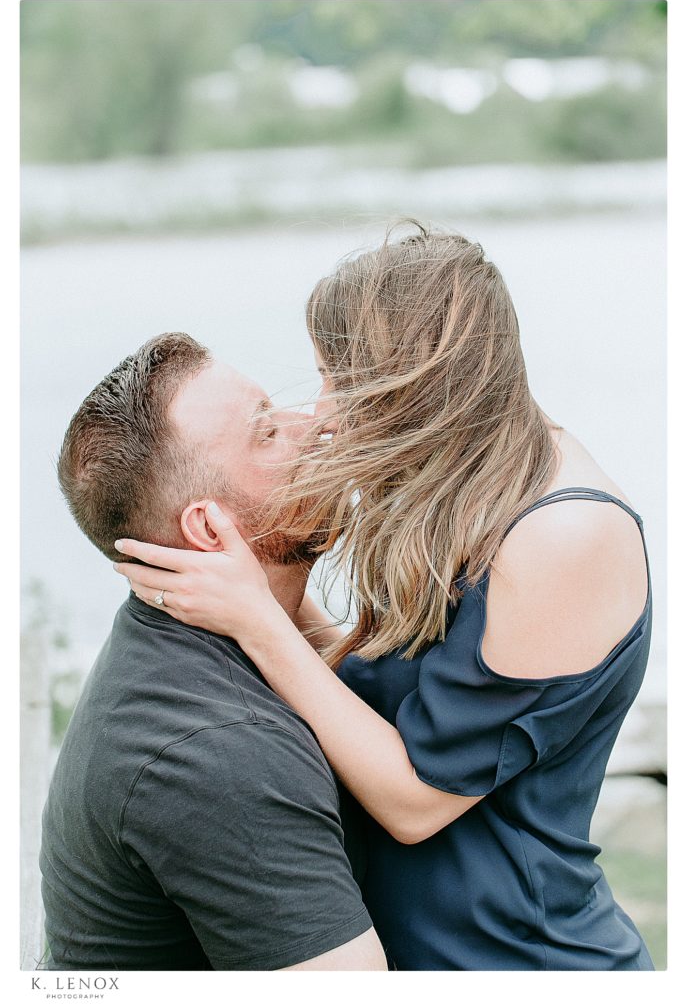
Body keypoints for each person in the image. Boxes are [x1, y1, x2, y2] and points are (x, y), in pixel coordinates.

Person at [116, 224, 654, 971]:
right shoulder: (469, 478)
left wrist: (259, 620)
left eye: (343, 378)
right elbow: (402, 706)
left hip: (517, 962)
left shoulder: (562, 536)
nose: (328, 413)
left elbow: (415, 801)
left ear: (412, 376)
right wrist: (256, 591)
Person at [40, 332, 385, 971]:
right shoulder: (214, 752)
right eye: (266, 432)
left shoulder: (192, 645)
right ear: (208, 529)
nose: (313, 423)